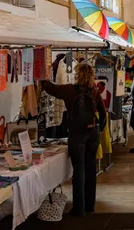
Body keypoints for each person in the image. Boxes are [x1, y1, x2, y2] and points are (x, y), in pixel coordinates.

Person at [40, 63, 107, 216]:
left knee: (79, 170)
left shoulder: (69, 90)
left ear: (78, 74)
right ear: (91, 76)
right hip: (92, 134)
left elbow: (51, 88)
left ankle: (78, 209)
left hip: (77, 135)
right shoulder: (94, 91)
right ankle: (90, 205)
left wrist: (42, 75)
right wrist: (98, 129)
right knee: (90, 169)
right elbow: (103, 115)